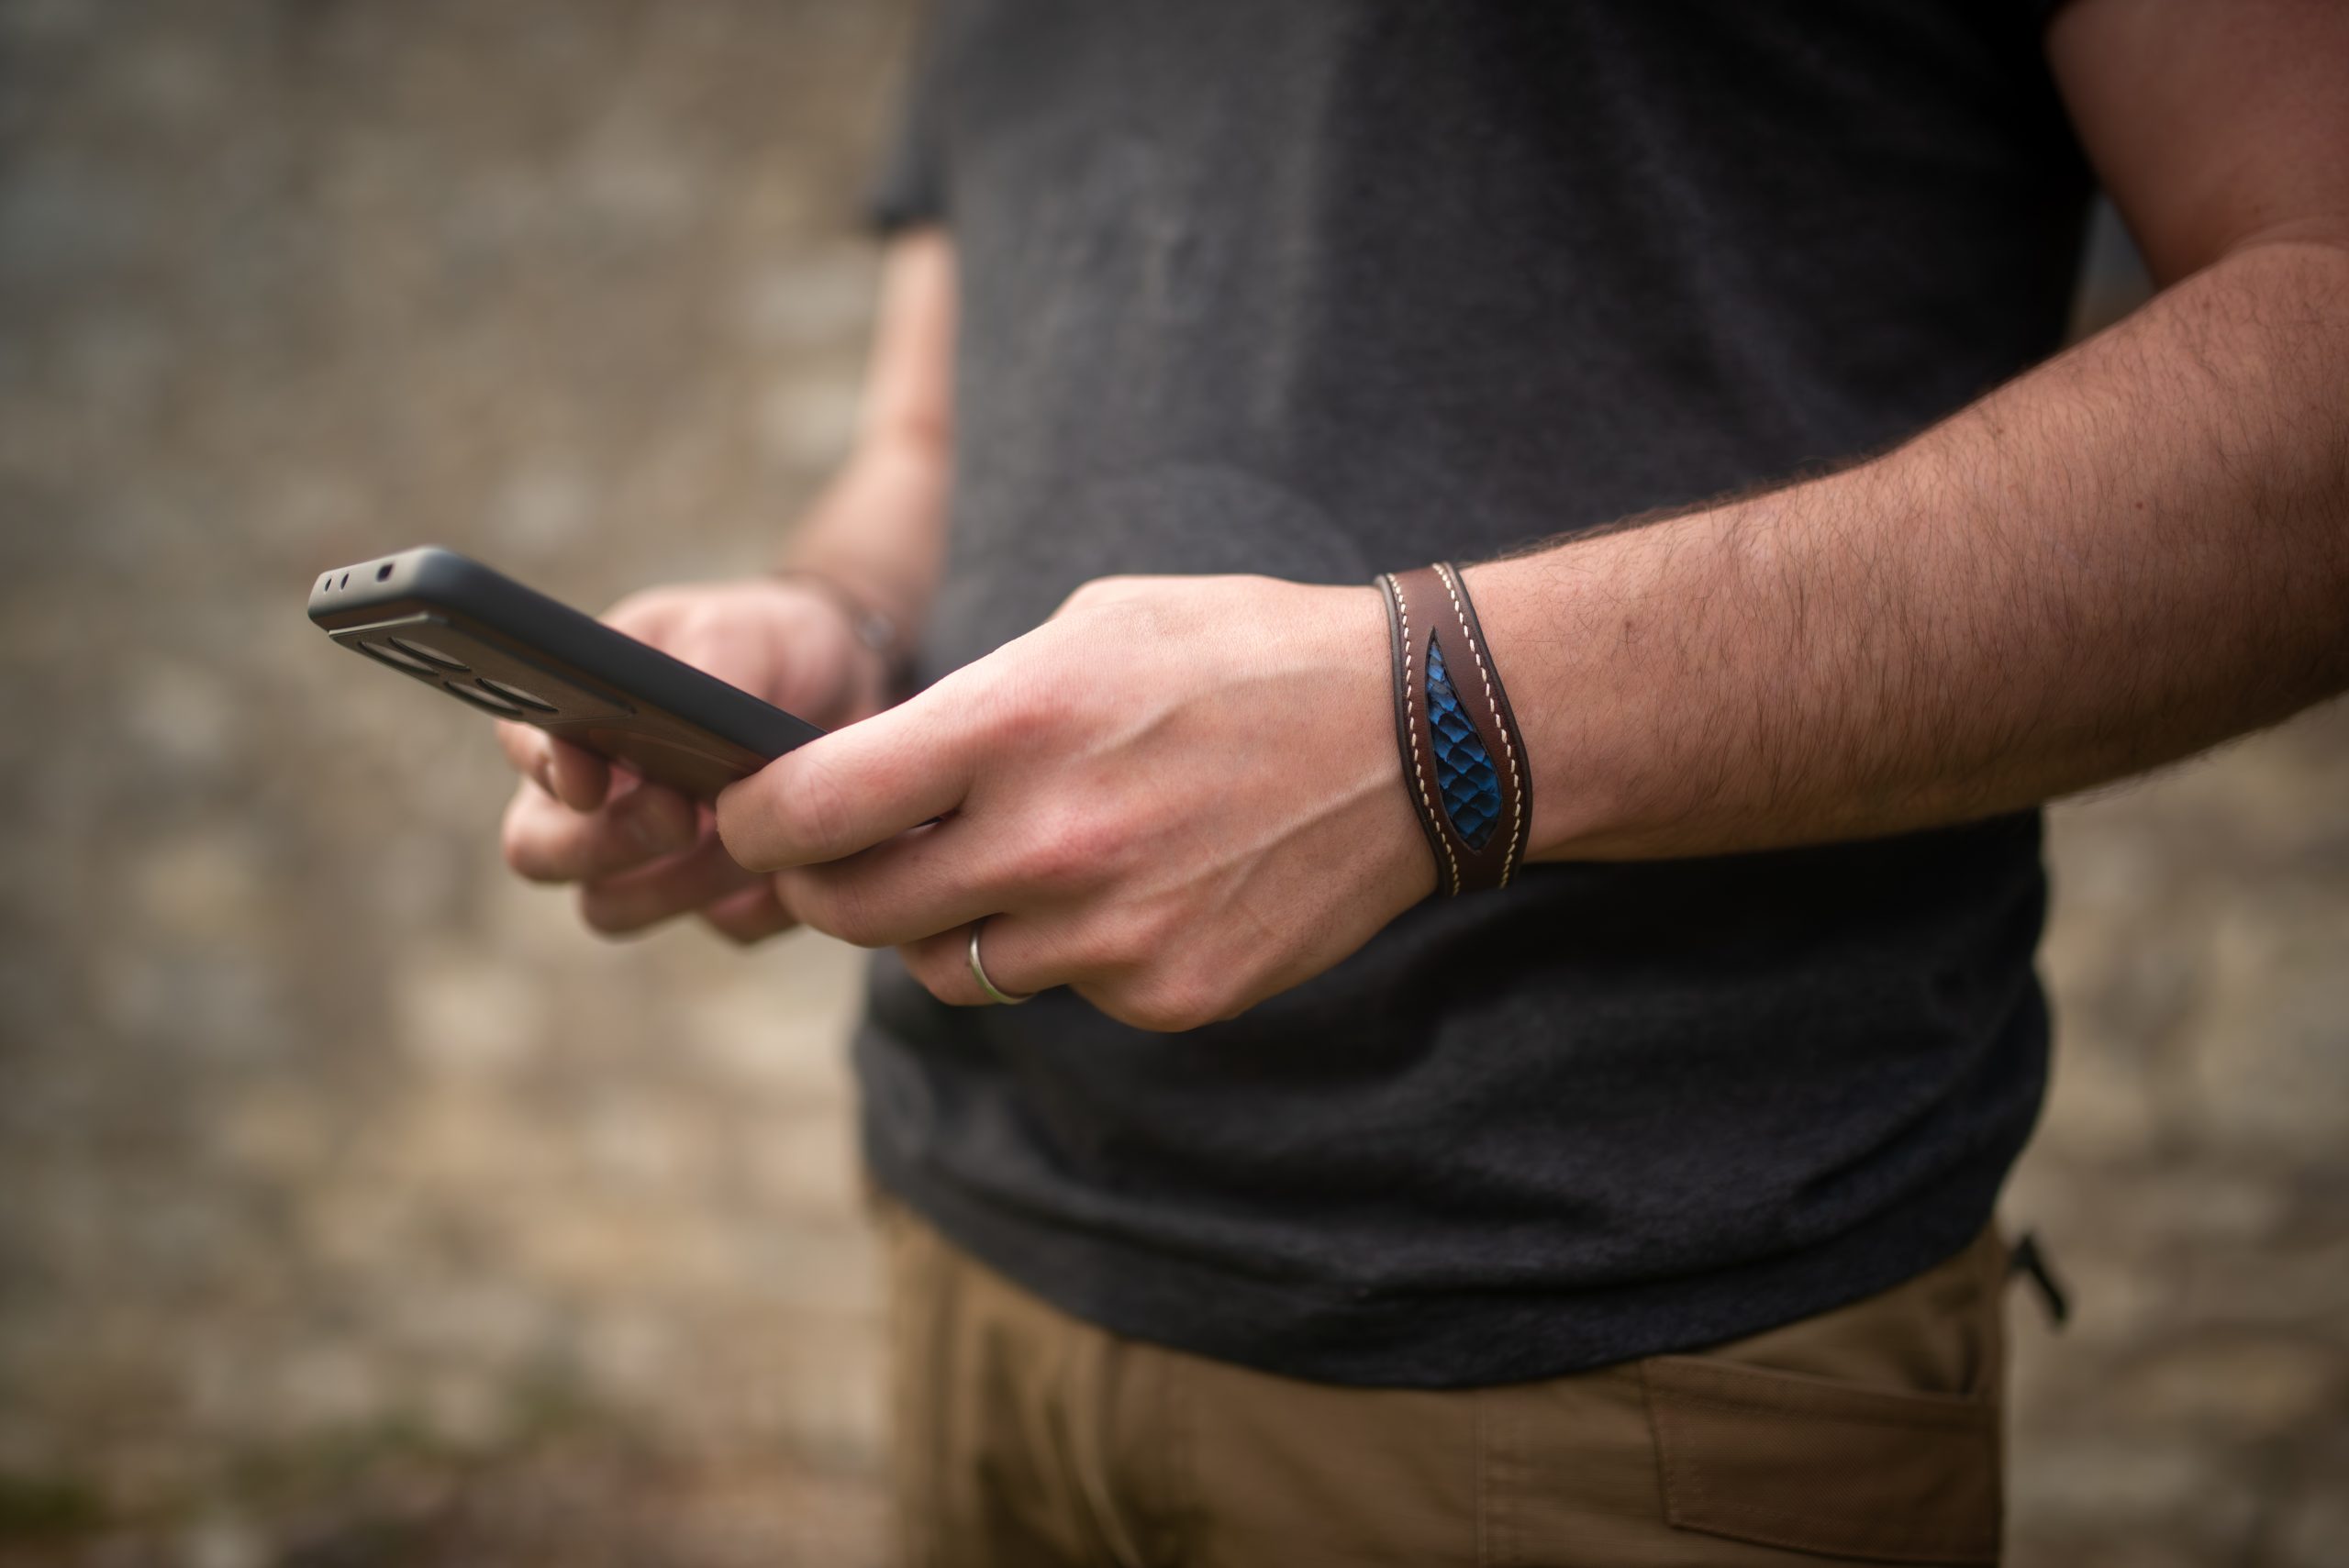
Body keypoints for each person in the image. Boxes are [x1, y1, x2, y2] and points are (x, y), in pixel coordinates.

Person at [495, 1, 2349, 1562]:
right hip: (975, 1245)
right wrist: (832, 617)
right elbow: (925, 436)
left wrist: (1425, 729)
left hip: (1611, 1343)